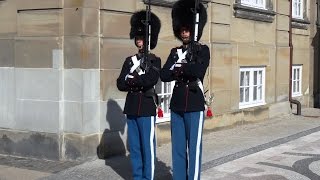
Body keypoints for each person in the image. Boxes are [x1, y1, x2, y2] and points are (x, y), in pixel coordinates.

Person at [160, 0, 209, 179]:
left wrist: (180, 68)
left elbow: (198, 70)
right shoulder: (175, 52)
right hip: (177, 105)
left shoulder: (202, 50)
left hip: (195, 104)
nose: (184, 32)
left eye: (187, 29)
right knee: (178, 149)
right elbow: (164, 74)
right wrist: (180, 67)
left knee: (194, 149)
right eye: (182, 30)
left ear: (194, 30)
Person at [116, 10, 161, 180]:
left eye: (141, 38)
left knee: (147, 147)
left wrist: (133, 80)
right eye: (137, 38)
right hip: (132, 107)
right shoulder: (129, 61)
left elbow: (151, 80)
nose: (139, 41)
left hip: (147, 107)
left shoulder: (154, 60)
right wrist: (135, 80)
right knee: (135, 148)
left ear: (148, 40)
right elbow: (120, 83)